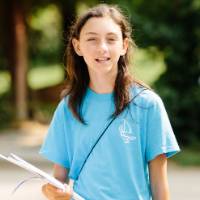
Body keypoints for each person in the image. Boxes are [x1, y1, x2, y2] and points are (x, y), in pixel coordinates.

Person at [40, 3, 180, 200]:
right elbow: (57, 182)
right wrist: (53, 193)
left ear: (124, 46)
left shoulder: (147, 104)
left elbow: (160, 186)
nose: (102, 48)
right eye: (92, 39)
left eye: (111, 39)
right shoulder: (68, 107)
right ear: (77, 46)